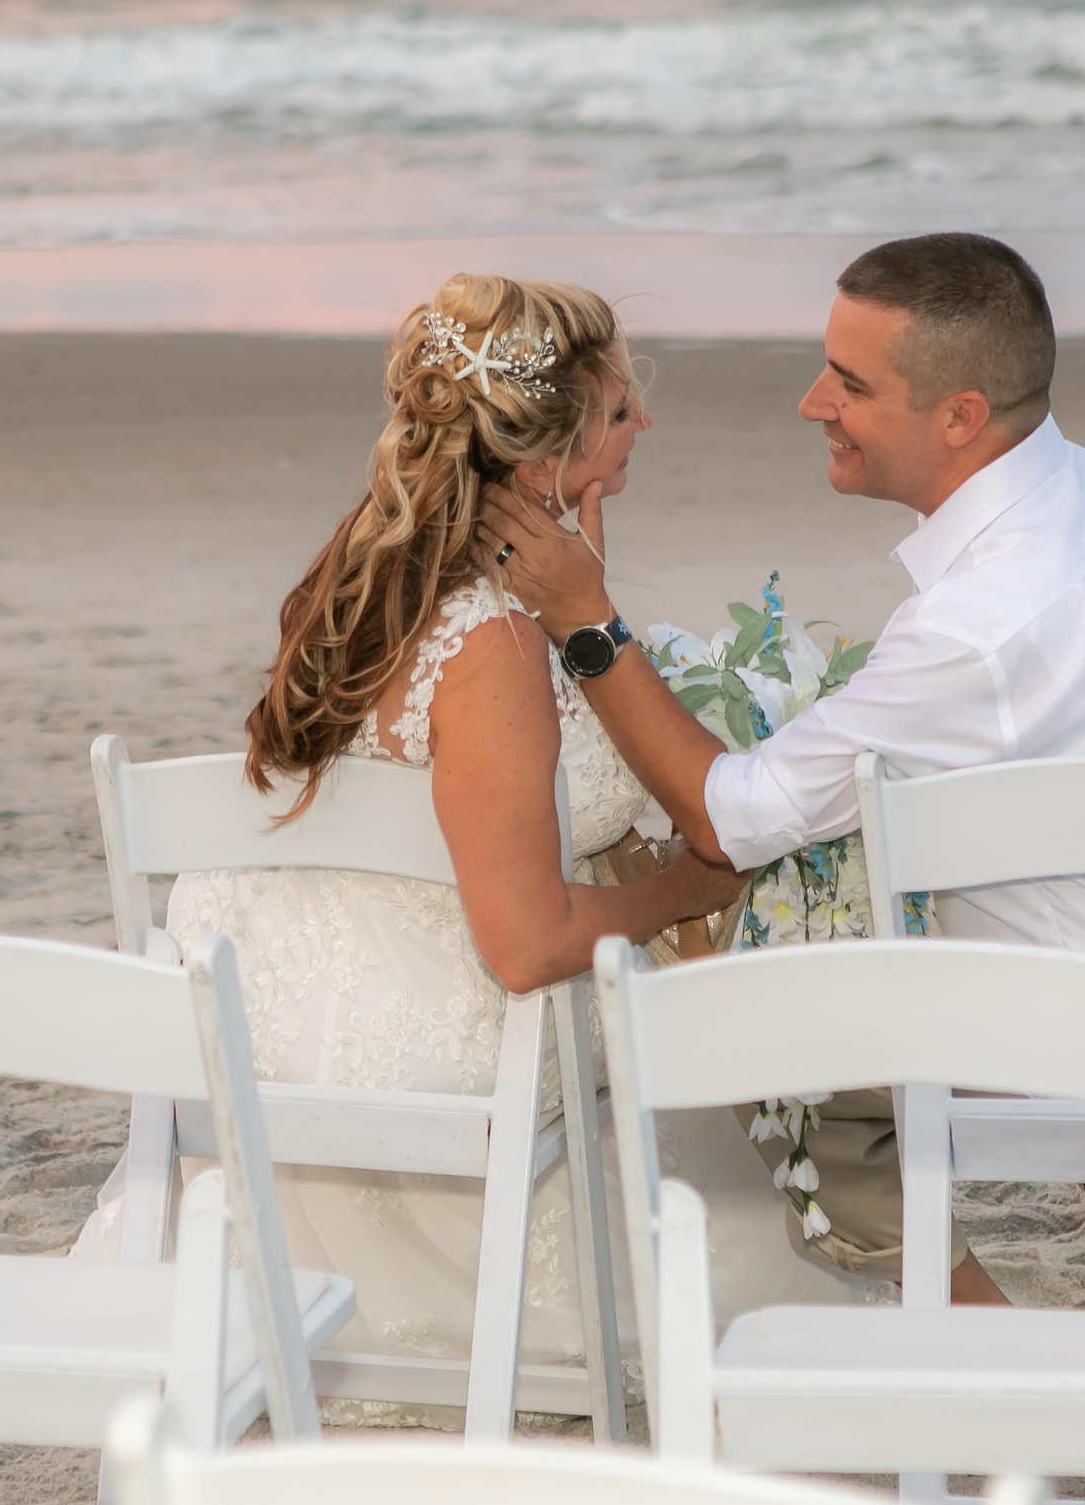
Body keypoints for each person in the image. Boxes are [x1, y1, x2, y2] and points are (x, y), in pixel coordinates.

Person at [482, 233, 1085, 1368]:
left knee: (767, 1014)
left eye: (850, 383)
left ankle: (1013, 1360)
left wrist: (587, 619)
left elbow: (727, 819)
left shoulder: (982, 627)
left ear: (960, 417)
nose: (809, 401)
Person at [73, 273, 881, 1419]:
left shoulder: (352, 572)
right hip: (431, 1043)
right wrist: (685, 883)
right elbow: (521, 941)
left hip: (256, 1029)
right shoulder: (494, 639)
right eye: (614, 410)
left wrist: (584, 596)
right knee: (699, 1004)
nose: (642, 422)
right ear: (539, 453)